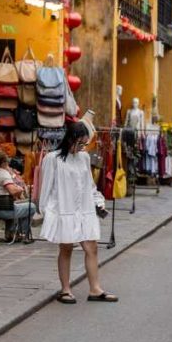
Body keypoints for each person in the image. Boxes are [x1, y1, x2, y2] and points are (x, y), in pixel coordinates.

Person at [38, 122, 118, 304]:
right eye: (80, 143)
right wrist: (46, 212)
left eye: (84, 144)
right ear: (71, 139)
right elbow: (46, 188)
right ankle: (65, 289)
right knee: (66, 248)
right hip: (64, 209)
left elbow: (89, 184)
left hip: (85, 209)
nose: (82, 148)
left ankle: (95, 289)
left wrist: (99, 202)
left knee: (92, 248)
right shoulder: (53, 159)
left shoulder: (84, 158)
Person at [0, 151, 37, 243]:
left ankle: (10, 233)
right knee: (31, 206)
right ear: (3, 163)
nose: (8, 164)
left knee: (15, 205)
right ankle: (23, 234)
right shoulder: (3, 173)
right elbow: (12, 191)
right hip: (4, 211)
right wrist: (20, 189)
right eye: (7, 162)